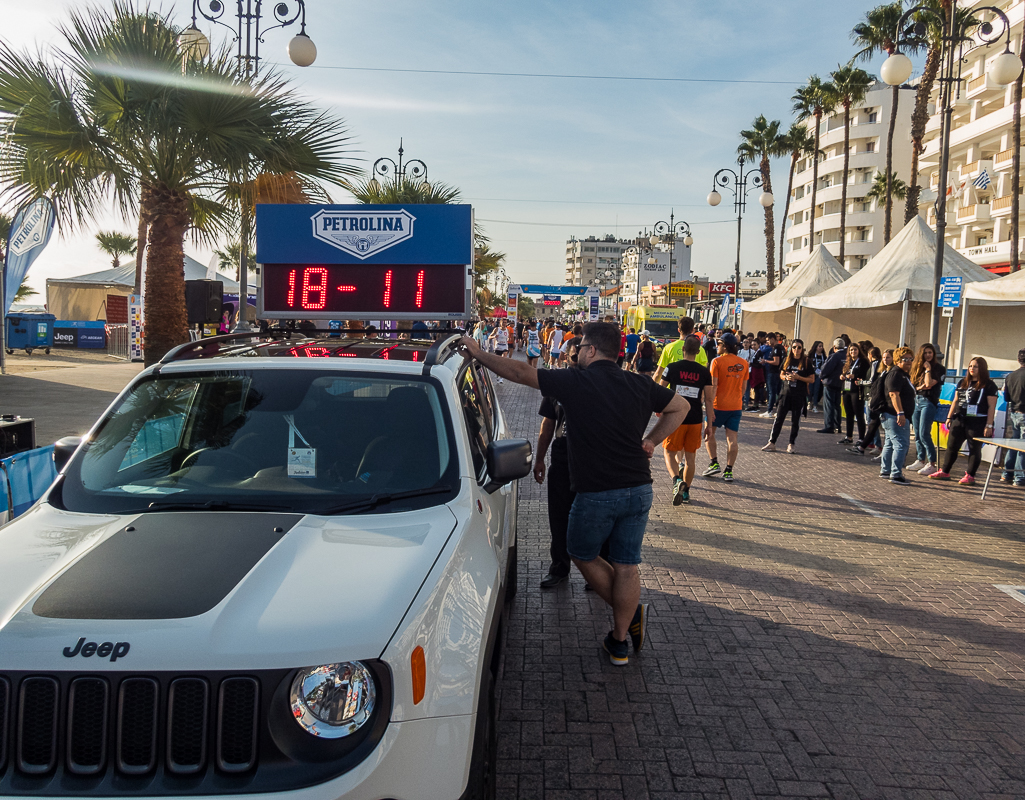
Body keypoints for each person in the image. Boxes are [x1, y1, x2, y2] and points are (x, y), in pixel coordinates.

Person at [458, 323, 689, 665]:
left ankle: (628, 618)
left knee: (580, 553)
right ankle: (620, 640)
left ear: (592, 350)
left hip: (597, 492)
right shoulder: (640, 383)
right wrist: (652, 441)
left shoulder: (576, 381)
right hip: (640, 490)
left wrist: (477, 353)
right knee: (626, 566)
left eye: (581, 347)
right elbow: (681, 407)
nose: (577, 351)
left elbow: (521, 372)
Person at [657, 335, 713, 505]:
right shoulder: (704, 372)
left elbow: (659, 389)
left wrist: (659, 408)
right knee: (690, 458)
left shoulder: (672, 367)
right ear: (698, 351)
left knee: (669, 451)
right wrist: (709, 424)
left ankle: (676, 481)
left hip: (675, 418)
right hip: (695, 419)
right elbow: (709, 399)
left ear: (683, 350)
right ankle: (686, 491)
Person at [929, 357, 999, 485]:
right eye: (970, 366)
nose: (972, 369)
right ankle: (945, 471)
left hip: (978, 421)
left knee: (974, 449)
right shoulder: (963, 382)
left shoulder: (989, 385)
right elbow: (955, 400)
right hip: (960, 418)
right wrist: (949, 417)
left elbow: (991, 407)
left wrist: (989, 425)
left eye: (976, 366)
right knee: (952, 446)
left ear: (982, 368)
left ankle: (970, 475)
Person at [703, 332, 749, 483]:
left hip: (718, 405)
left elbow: (714, 385)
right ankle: (729, 471)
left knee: (709, 433)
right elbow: (743, 388)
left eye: (719, 344)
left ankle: (714, 462)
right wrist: (736, 399)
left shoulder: (717, 362)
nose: (717, 346)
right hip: (735, 406)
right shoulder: (743, 363)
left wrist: (708, 403)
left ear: (725, 346)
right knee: (732, 439)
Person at [762, 339, 814, 453]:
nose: (796, 350)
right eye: (794, 347)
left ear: (802, 349)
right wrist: (786, 377)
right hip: (785, 393)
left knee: (795, 420)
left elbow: (812, 379)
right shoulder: (787, 360)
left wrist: (799, 378)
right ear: (791, 348)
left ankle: (791, 443)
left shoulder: (806, 361)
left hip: (799, 395)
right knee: (779, 418)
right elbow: (781, 374)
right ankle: (772, 442)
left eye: (799, 347)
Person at [907, 343, 947, 476]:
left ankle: (932, 463)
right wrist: (920, 387)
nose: (928, 355)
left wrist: (928, 370)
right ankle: (920, 459)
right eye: (925, 353)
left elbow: (929, 384)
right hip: (916, 401)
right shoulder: (916, 368)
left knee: (924, 433)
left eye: (930, 352)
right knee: (917, 433)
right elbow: (913, 385)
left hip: (929, 402)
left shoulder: (939, 368)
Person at [880, 346, 915, 485]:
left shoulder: (903, 374)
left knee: (889, 443)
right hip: (894, 415)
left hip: (891, 415)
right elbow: (894, 394)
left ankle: (886, 470)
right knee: (901, 444)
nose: (908, 362)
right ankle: (895, 473)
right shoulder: (896, 374)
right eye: (905, 359)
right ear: (897, 360)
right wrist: (900, 412)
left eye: (910, 359)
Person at [1001, 348, 1025, 486]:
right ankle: (1019, 477)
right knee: (1022, 447)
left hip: (1014, 412)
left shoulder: (1010, 376)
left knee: (1014, 445)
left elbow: (1006, 397)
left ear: (1018, 360)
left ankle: (1007, 474)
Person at [838, 341, 869, 445]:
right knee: (849, 414)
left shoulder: (863, 362)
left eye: (855, 349)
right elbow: (844, 372)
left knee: (859, 414)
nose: (853, 352)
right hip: (847, 390)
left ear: (858, 351)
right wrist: (842, 376)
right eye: (851, 350)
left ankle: (861, 438)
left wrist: (854, 376)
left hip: (857, 390)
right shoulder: (848, 362)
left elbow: (865, 375)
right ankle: (849, 436)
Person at [817, 338, 847, 435]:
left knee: (829, 405)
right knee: (836, 405)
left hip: (830, 383)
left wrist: (821, 376)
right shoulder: (846, 356)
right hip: (839, 383)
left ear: (834, 347)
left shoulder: (835, 356)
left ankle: (829, 426)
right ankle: (838, 425)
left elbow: (826, 369)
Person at [757, 333, 785, 418]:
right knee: (778, 391)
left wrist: (765, 361)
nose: (768, 342)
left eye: (768, 340)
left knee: (771, 392)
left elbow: (776, 362)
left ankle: (769, 410)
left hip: (773, 372)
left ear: (772, 339)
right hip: (779, 372)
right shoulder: (782, 347)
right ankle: (779, 410)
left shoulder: (776, 348)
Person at [808, 340, 826, 412]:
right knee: (810, 389)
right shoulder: (811, 355)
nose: (821, 348)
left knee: (817, 389)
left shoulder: (823, 356)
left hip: (819, 375)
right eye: (819, 346)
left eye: (822, 346)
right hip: (812, 374)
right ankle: (810, 402)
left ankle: (815, 405)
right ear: (816, 347)